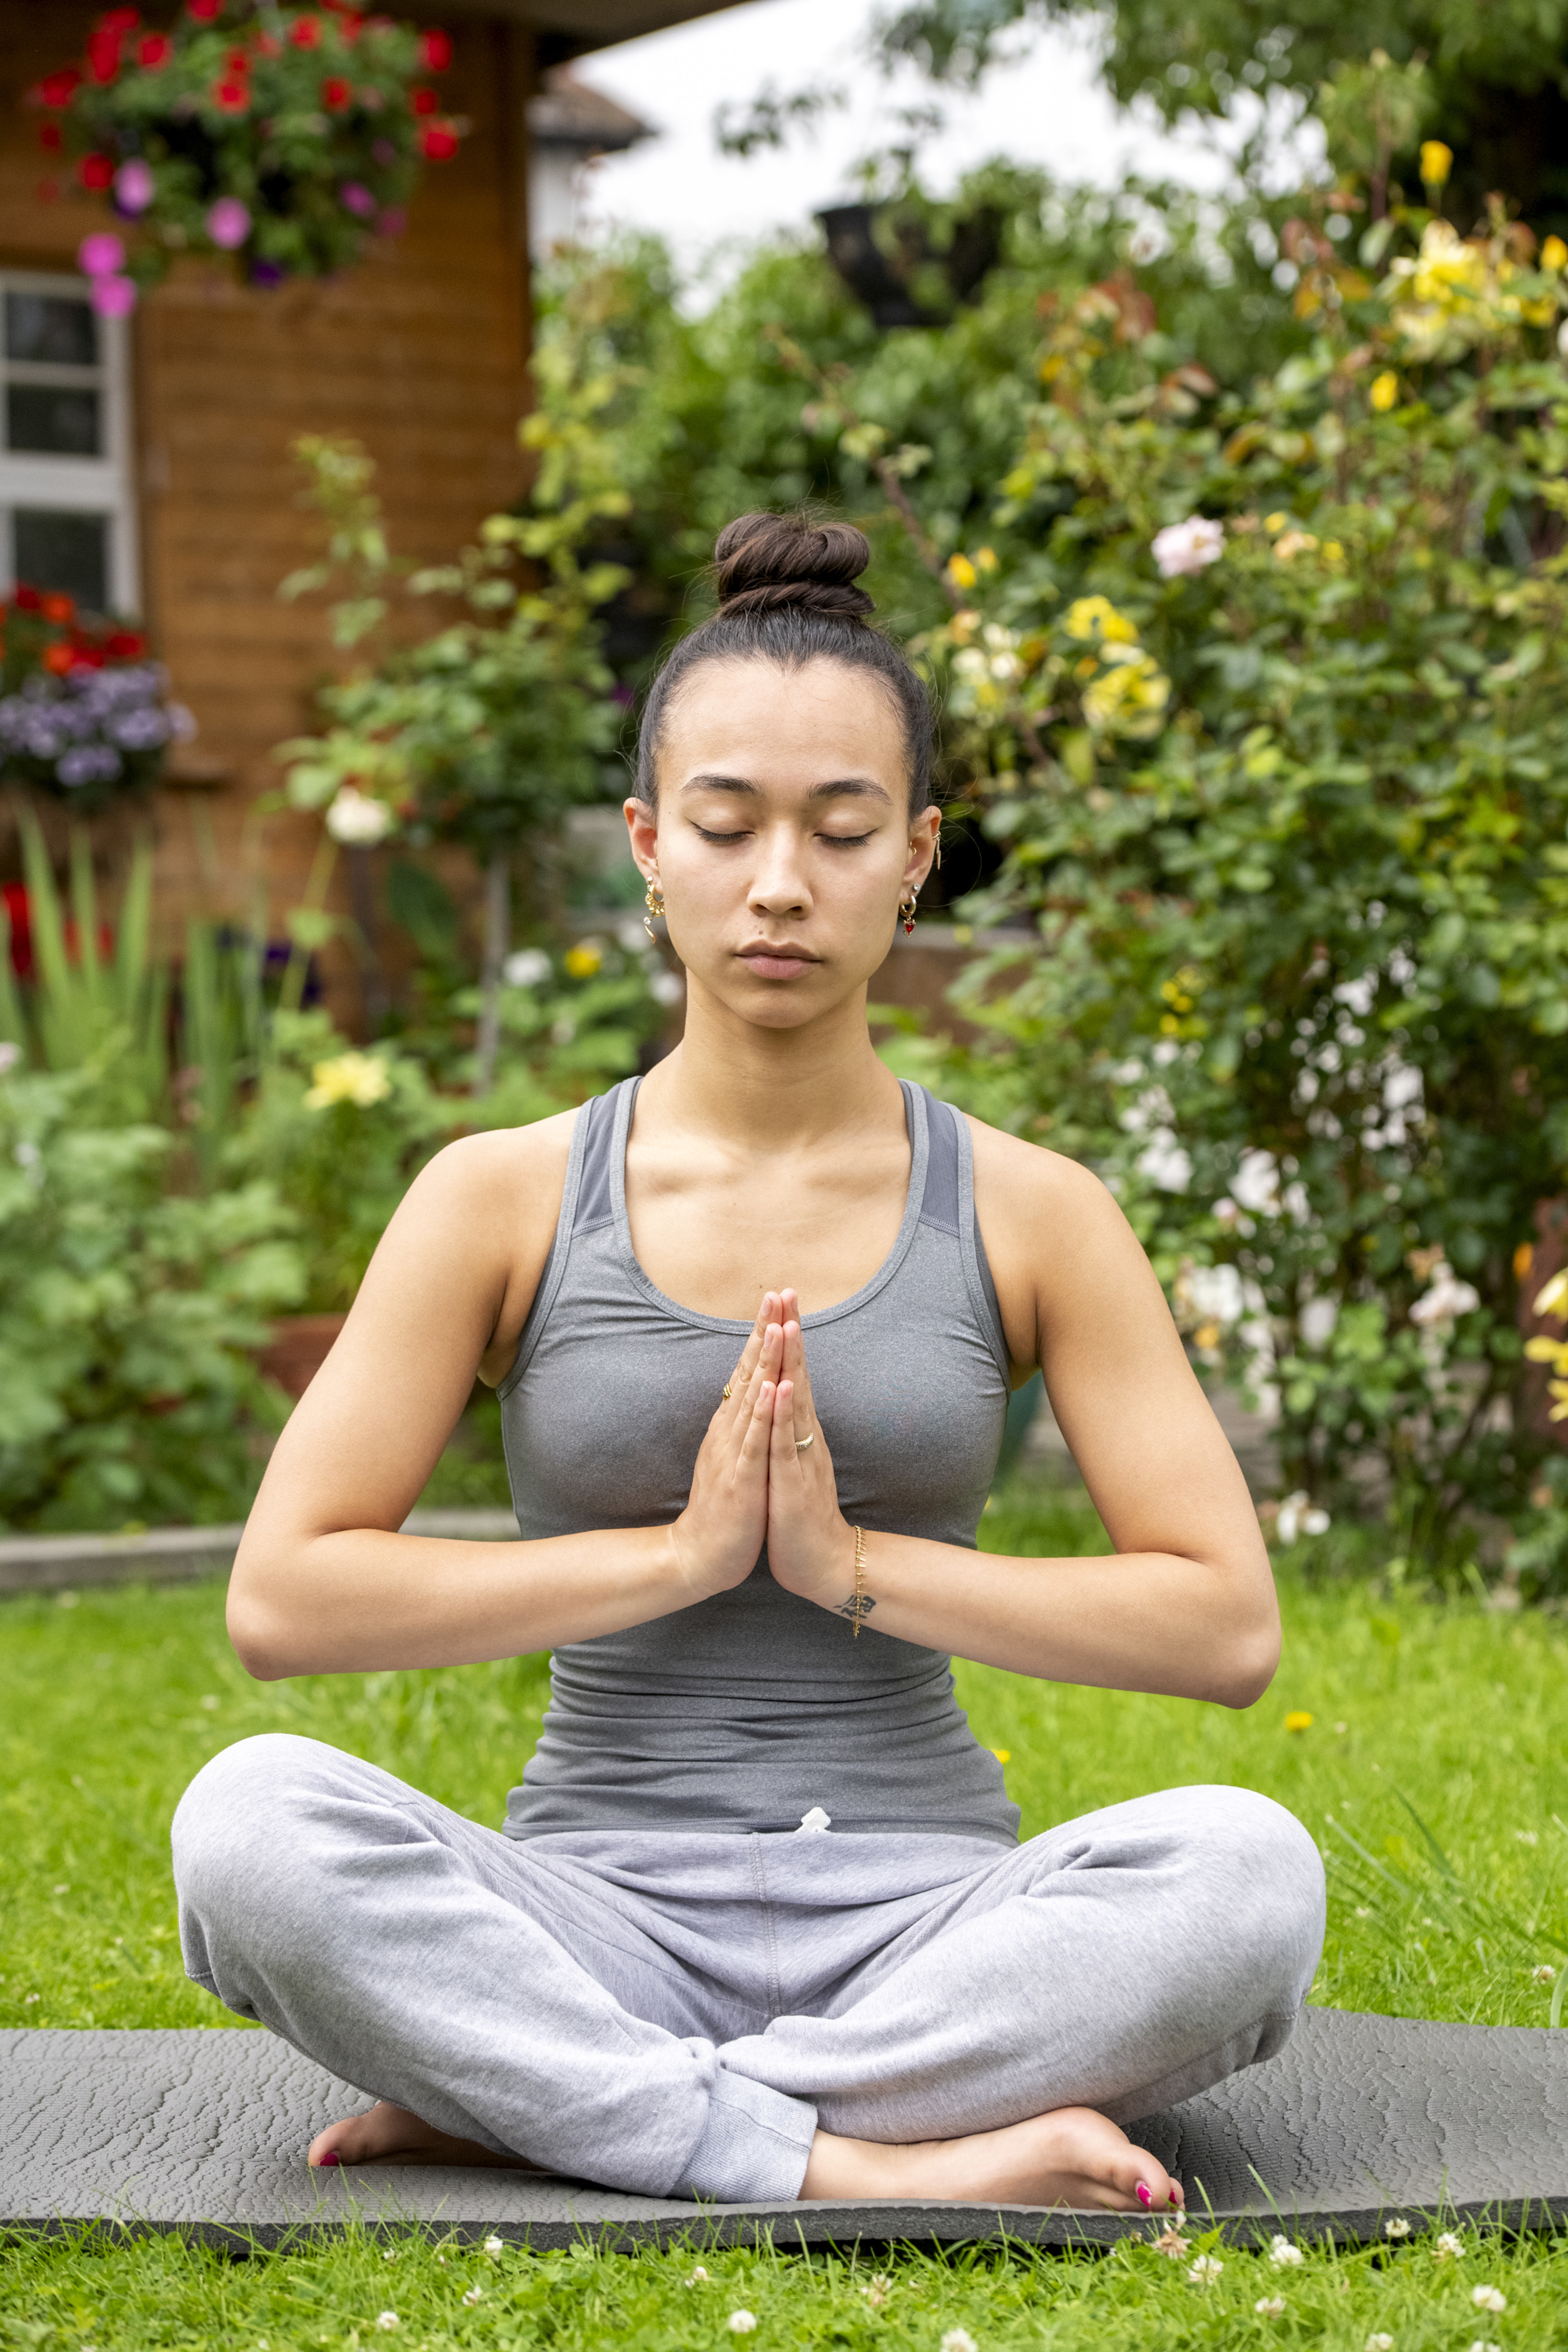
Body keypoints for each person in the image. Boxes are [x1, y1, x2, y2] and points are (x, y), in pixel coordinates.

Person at [173, 512, 1325, 2215]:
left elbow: (1227, 1626)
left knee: (1250, 1874)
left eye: (842, 827)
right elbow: (286, 1599)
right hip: (591, 1917)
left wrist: (853, 1569)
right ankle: (862, 2156)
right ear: (649, 846)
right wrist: (683, 1558)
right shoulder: (498, 1196)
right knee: (246, 1825)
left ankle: (566, 2109)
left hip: (929, 1932)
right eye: (725, 824)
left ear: (919, 853)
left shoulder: (1033, 1210)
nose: (780, 881)